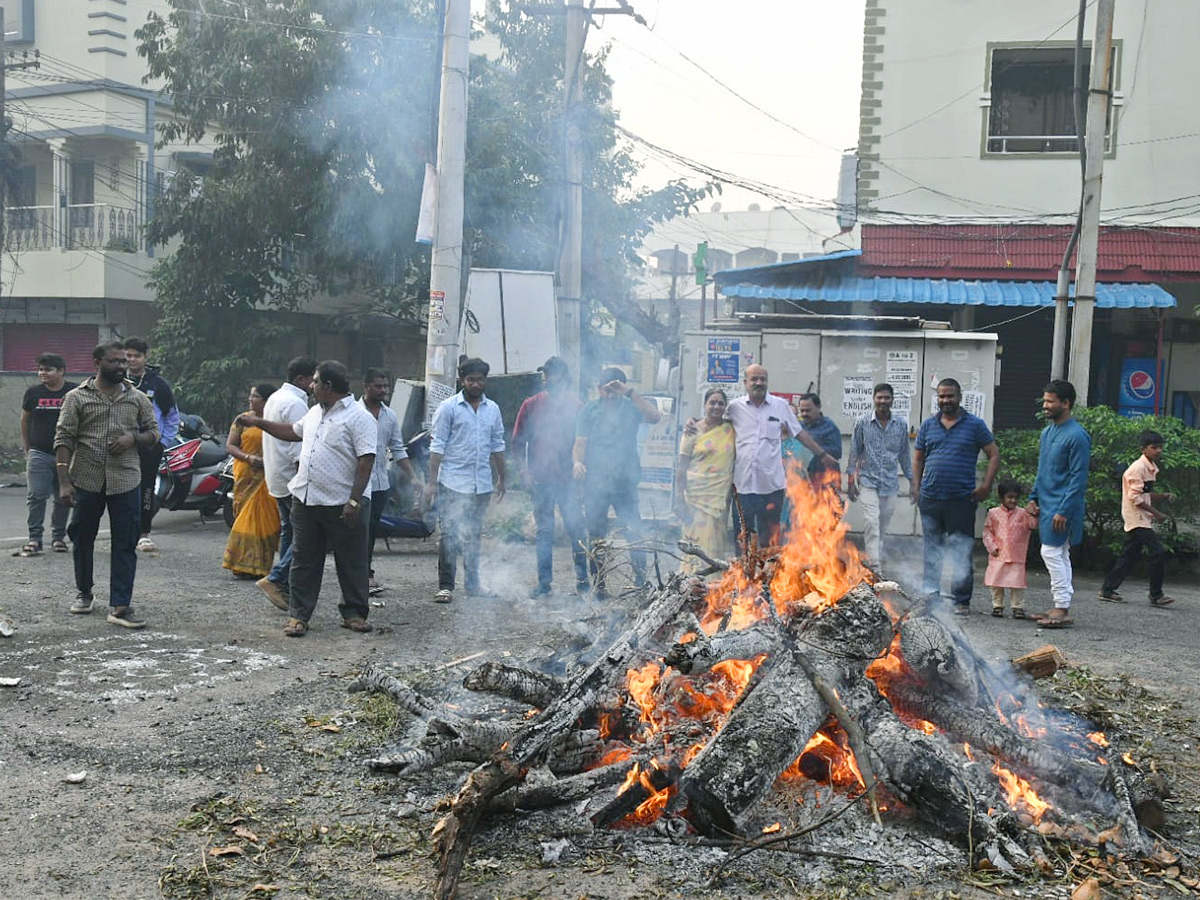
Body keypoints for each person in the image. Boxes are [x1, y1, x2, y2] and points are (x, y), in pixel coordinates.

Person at [242, 360, 377, 636]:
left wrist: (354, 501)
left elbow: (366, 460)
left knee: (351, 560)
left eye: (315, 381)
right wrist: (258, 423)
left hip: (341, 502)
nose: (311, 386)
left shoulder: (358, 417)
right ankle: (299, 615)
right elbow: (292, 432)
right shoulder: (315, 412)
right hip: (305, 498)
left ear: (328, 386)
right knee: (305, 558)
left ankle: (353, 612)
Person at [55, 341, 159, 628]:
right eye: (114, 361)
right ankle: (84, 592)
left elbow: (153, 432)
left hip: (126, 479)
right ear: (97, 363)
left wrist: (132, 439)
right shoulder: (76, 398)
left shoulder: (137, 398)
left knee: (125, 542)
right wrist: (64, 483)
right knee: (82, 538)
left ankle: (120, 606)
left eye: (124, 361)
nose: (121, 366)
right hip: (87, 479)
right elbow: (64, 439)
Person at [912, 377, 1000, 615]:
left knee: (961, 549)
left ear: (959, 397)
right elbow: (918, 458)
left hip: (961, 500)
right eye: (941, 396)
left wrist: (986, 485)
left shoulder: (975, 425)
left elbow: (993, 454)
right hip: (930, 499)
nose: (946, 400)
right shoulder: (929, 425)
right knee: (932, 550)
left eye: (950, 396)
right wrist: (917, 488)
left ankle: (961, 600)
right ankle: (931, 596)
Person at [424, 357, 506, 604]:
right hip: (452, 482)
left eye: (480, 379)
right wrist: (431, 482)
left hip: (480, 484)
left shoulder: (492, 409)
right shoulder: (448, 408)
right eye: (471, 380)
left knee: (474, 535)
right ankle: (446, 586)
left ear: (485, 381)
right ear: (462, 381)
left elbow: (497, 445)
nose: (476, 384)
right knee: (449, 534)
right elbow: (437, 446)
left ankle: (473, 585)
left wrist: (502, 478)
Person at [725, 365, 835, 547]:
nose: (759, 383)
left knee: (769, 540)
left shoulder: (780, 406)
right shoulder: (735, 408)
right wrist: (694, 423)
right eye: (754, 379)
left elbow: (799, 433)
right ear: (745, 383)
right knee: (742, 539)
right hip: (742, 486)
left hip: (771, 487)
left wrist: (822, 454)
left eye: (762, 379)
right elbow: (716, 424)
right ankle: (744, 575)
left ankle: (767, 574)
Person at [573, 367, 660, 595]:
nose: (610, 393)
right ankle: (599, 585)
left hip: (625, 483)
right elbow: (580, 443)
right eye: (606, 388)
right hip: (596, 484)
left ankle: (640, 583)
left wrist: (630, 393)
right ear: (598, 389)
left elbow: (655, 417)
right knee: (597, 535)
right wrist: (576, 463)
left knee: (634, 531)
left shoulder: (631, 407)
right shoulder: (589, 411)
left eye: (615, 388)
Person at [511, 356, 589, 597]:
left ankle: (583, 582)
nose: (545, 379)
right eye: (544, 374)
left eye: (550, 374)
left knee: (576, 529)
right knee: (544, 531)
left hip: (568, 480)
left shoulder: (576, 407)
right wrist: (524, 471)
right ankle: (544, 584)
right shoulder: (530, 405)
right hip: (541, 478)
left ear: (562, 378)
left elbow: (585, 444)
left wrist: (583, 473)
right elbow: (517, 443)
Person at [1025, 379, 1091, 628]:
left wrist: (1064, 510)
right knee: (1058, 554)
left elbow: (1078, 478)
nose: (1045, 405)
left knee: (1051, 553)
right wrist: (1033, 498)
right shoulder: (1047, 432)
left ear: (1066, 403)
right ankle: (1059, 604)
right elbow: (1043, 470)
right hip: (1047, 504)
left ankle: (1061, 607)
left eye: (1050, 401)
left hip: (1063, 507)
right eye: (1045, 400)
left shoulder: (1078, 436)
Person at [256, 356, 316, 612]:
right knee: (307, 536)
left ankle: (284, 584)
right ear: (301, 379)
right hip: (292, 478)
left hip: (277, 476)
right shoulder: (295, 404)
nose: (315, 385)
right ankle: (277, 577)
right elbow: (297, 449)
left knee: (290, 532)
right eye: (313, 380)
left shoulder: (277, 398)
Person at [1098, 430, 1176, 608]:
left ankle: (1107, 589)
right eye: (1154, 447)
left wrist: (1162, 496)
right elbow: (1136, 498)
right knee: (1157, 551)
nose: (1158, 451)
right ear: (1143, 449)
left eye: (1160, 447)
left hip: (1141, 517)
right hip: (1137, 518)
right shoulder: (1138, 468)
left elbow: (1144, 493)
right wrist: (1157, 513)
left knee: (1129, 556)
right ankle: (1156, 595)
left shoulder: (1149, 467)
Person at [359, 368, 417, 592]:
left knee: (371, 529)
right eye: (378, 386)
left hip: (379, 483)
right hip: (356, 483)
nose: (383, 390)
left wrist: (413, 478)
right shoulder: (353, 412)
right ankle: (356, 573)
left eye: (385, 386)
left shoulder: (389, 415)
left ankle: (366, 572)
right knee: (356, 529)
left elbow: (398, 449)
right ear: (366, 387)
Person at [846, 383, 913, 573]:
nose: (883, 401)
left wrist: (912, 482)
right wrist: (851, 482)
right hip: (868, 482)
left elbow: (905, 456)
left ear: (892, 400)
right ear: (874, 399)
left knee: (881, 527)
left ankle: (874, 555)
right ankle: (875, 570)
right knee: (872, 522)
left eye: (887, 398)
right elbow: (854, 453)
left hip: (890, 484)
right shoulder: (862, 422)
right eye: (879, 397)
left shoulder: (900, 424)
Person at [18, 353, 78, 557]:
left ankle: (58, 538)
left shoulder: (73, 391)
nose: (43, 373)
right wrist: (28, 448)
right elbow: (25, 420)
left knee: (64, 496)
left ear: (61, 371)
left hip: (68, 454)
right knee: (36, 496)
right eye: (41, 369)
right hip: (39, 453)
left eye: (48, 369)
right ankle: (34, 538)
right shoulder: (33, 393)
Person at [124, 337, 180, 555]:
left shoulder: (158, 384)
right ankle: (125, 532)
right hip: (122, 446)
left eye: (137, 356)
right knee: (121, 489)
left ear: (146, 357)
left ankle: (144, 534)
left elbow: (172, 416)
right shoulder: (118, 381)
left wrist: (163, 442)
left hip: (149, 447)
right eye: (128, 355)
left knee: (146, 489)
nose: (132, 360)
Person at [221, 383, 281, 579]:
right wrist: (249, 458)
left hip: (269, 477)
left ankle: (260, 566)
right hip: (247, 476)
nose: (250, 399)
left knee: (265, 520)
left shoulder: (276, 422)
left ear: (266, 400)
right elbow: (230, 446)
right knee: (245, 519)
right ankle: (241, 565)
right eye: (250, 396)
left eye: (255, 396)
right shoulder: (242, 420)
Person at [674, 388, 735, 573]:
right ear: (705, 405)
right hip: (695, 498)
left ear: (725, 407)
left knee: (716, 544)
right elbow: (681, 467)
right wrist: (678, 498)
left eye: (720, 403)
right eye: (712, 402)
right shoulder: (692, 431)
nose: (716, 406)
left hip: (719, 498)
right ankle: (691, 585)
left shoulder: (730, 429)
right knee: (695, 545)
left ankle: (713, 589)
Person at [982, 480, 1037, 619]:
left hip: (1017, 555)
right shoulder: (993, 513)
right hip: (998, 554)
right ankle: (997, 605)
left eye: (1016, 497)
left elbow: (1033, 525)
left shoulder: (1023, 513)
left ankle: (1017, 607)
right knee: (996, 583)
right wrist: (991, 546)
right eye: (1009, 497)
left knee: (1017, 584)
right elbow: (987, 532)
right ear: (1002, 498)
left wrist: (1034, 513)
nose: (1013, 500)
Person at [796, 393, 842, 482]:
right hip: (803, 479)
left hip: (825, 479)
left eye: (808, 410)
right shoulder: (798, 427)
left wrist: (813, 446)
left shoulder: (830, 427)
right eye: (802, 411)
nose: (804, 414)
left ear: (818, 407)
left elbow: (837, 452)